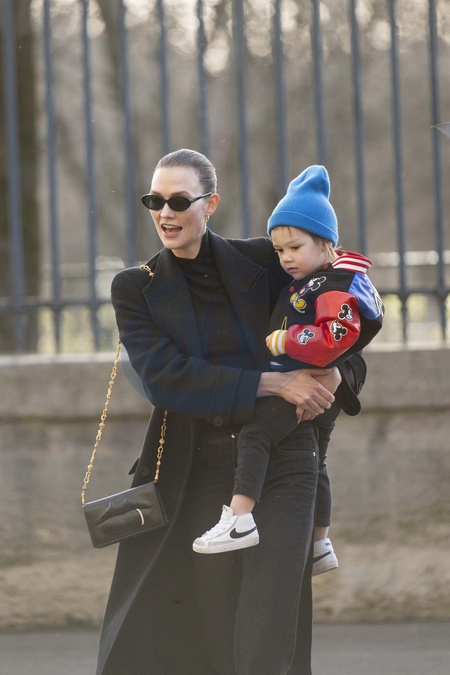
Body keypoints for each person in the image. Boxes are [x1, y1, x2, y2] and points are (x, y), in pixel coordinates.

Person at [95, 149, 366, 675]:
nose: (165, 213)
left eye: (179, 201)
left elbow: (344, 329)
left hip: (284, 460)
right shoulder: (135, 286)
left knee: (270, 624)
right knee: (210, 630)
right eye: (154, 201)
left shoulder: (269, 259)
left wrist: (335, 374)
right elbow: (166, 378)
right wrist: (275, 382)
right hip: (193, 469)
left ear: (210, 203)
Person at [192, 166, 384, 578]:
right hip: (320, 389)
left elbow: (335, 335)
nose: (286, 259)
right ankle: (320, 543)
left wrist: (288, 339)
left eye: (295, 247)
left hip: (304, 383)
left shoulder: (333, 285)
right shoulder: (321, 279)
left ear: (326, 243)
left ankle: (240, 518)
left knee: (256, 436)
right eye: (280, 250)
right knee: (318, 462)